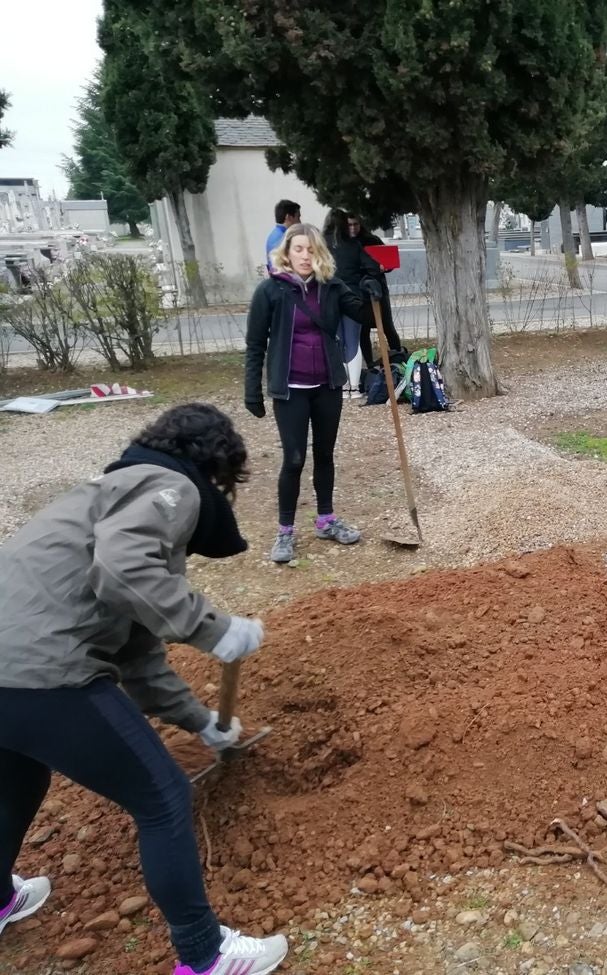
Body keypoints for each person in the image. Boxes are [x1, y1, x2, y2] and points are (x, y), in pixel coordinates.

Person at [0, 404, 288, 975]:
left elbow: (138, 659)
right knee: (162, 798)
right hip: (42, 669)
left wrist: (203, 723)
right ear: (214, 473)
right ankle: (206, 955)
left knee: (20, 775)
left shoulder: (109, 495)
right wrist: (216, 630)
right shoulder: (171, 485)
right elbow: (124, 569)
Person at [246, 223, 378, 563]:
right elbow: (256, 344)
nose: (305, 256)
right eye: (299, 249)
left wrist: (372, 288)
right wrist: (253, 391)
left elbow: (367, 316)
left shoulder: (331, 287)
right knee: (293, 458)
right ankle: (285, 532)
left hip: (327, 386)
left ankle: (326, 520)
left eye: (311, 249)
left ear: (320, 253)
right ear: (287, 253)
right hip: (290, 389)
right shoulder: (270, 291)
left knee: (325, 453)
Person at [322, 209, 401, 370]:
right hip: (356, 293)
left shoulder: (369, 240)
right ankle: (370, 364)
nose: (352, 228)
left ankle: (398, 358)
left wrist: (381, 268)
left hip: (374, 290)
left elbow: (385, 262)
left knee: (387, 326)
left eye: (355, 224)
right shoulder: (342, 243)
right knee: (361, 332)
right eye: (349, 224)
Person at [264, 199, 300, 270]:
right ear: (288, 217)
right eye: (298, 217)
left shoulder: (276, 234)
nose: (300, 222)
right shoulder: (282, 238)